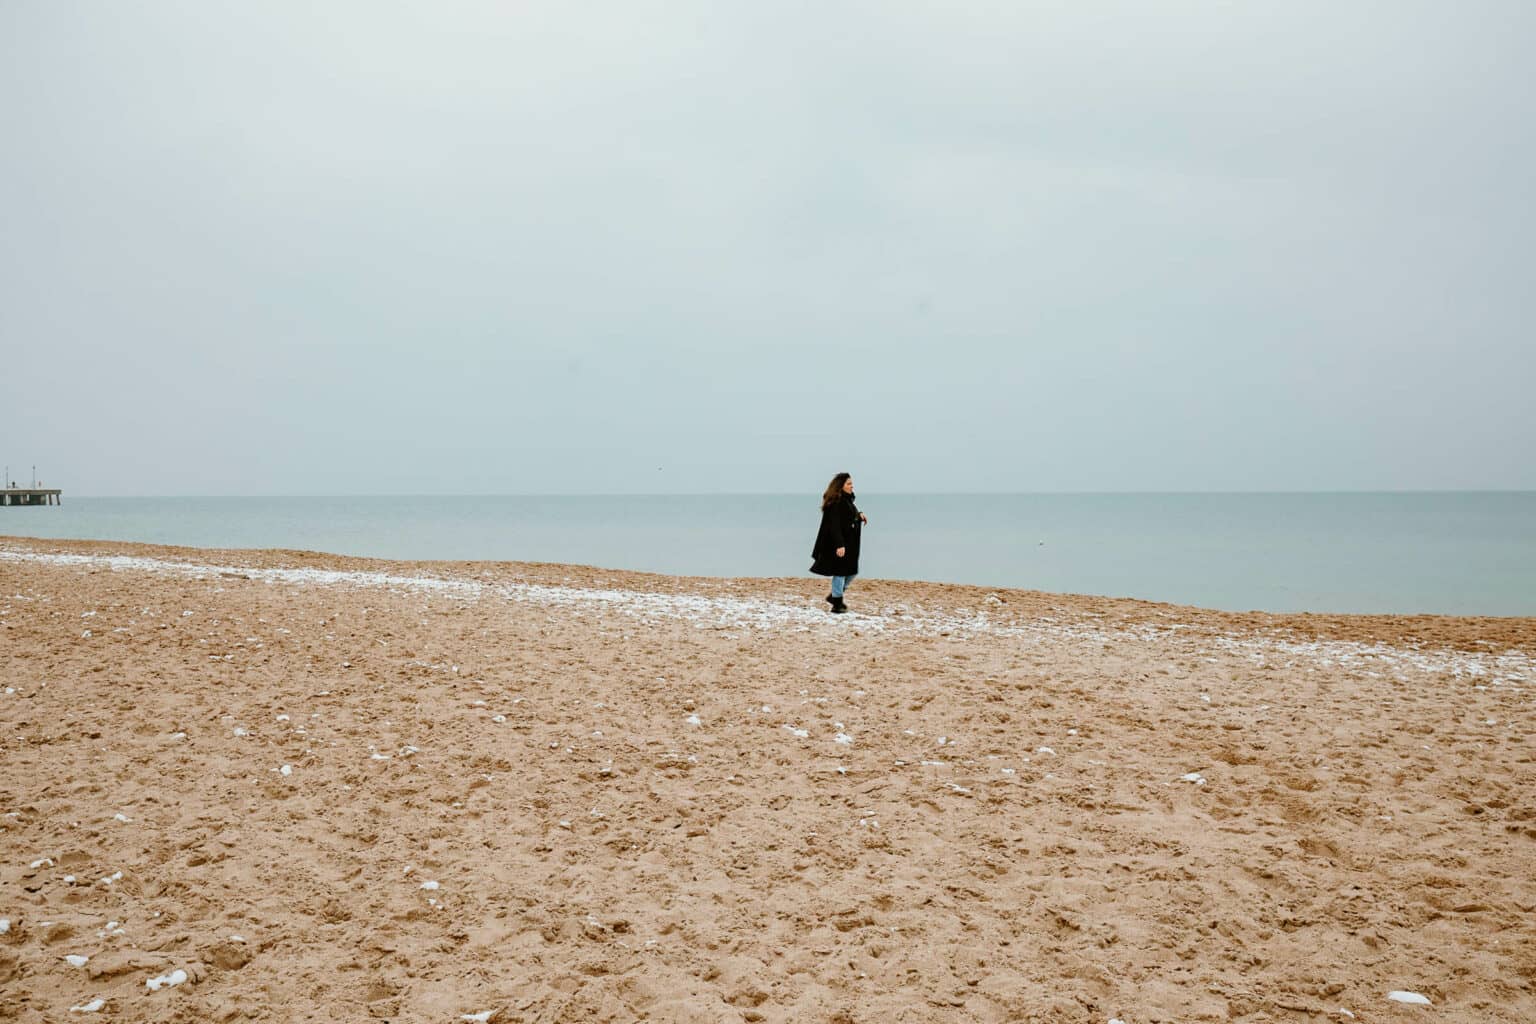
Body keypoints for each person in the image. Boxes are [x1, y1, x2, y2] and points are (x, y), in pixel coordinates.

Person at [810, 472, 868, 613]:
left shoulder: (847, 499)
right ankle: (837, 603)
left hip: (850, 543)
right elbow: (834, 525)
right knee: (841, 572)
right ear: (840, 486)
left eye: (851, 484)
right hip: (839, 543)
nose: (851, 486)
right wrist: (839, 544)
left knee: (852, 571)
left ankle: (834, 596)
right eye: (848, 484)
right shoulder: (836, 502)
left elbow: (849, 514)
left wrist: (859, 515)